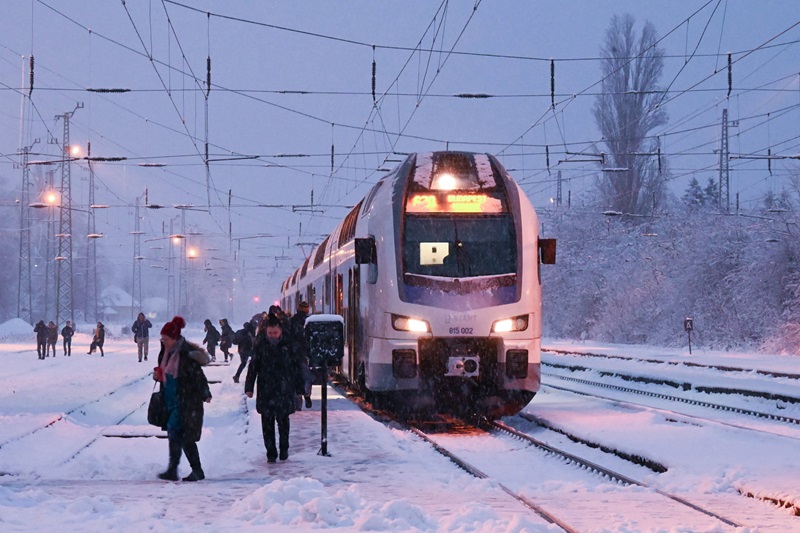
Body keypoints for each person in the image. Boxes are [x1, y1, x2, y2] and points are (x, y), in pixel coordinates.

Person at [154, 316, 212, 482]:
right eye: (162, 338)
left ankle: (192, 470)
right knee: (175, 435)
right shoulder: (165, 352)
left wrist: (205, 392)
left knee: (183, 436)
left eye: (166, 338)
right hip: (170, 399)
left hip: (186, 401)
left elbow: (198, 376)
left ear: (174, 338)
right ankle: (176, 470)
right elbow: (164, 371)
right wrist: (158, 375)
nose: (163, 341)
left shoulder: (186, 354)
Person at [245, 316, 304, 463]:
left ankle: (284, 449)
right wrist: (249, 387)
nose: (272, 336)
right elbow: (253, 368)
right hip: (266, 389)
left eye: (275, 333)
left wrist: (299, 387)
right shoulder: (260, 346)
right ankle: (271, 452)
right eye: (270, 333)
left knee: (283, 422)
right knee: (267, 424)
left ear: (280, 331)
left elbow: (297, 367)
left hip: (284, 389)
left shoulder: (288, 346)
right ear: (266, 332)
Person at [289, 301, 313, 409]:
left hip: (294, 354)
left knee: (296, 377)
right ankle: (307, 395)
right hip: (304, 354)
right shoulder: (308, 321)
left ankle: (298, 400)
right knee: (306, 376)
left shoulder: (292, 320)